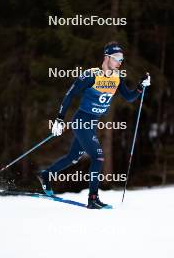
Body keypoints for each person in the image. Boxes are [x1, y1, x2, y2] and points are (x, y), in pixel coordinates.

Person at [38, 41, 151, 209]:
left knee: (73, 157)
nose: (120, 61)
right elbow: (70, 95)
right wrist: (59, 119)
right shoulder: (91, 75)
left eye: (122, 58)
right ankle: (92, 198)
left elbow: (129, 97)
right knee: (98, 157)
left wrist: (141, 87)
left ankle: (46, 175)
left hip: (91, 123)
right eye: (117, 58)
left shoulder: (117, 78)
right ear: (107, 57)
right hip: (81, 121)